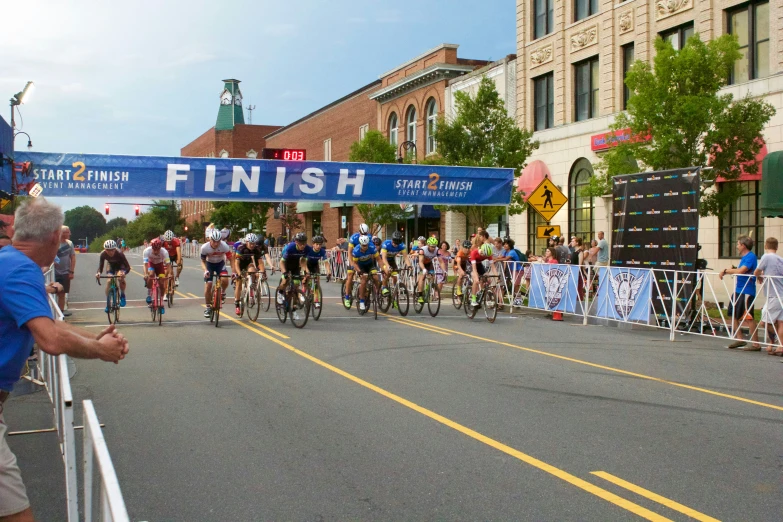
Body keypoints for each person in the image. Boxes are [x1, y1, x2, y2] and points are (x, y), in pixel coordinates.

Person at [0, 198, 128, 522]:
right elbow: (50, 339)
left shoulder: (9, 261)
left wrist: (95, 337)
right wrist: (102, 351)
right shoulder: (21, 270)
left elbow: (48, 322)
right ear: (56, 238)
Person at [720, 235, 760, 350]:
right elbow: (740, 269)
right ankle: (739, 339)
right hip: (738, 290)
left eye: (738, 244)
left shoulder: (750, 257)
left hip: (746, 291)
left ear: (743, 246)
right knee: (732, 314)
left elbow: (742, 270)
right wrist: (733, 268)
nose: (736, 246)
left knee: (749, 317)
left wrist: (726, 271)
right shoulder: (745, 257)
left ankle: (756, 344)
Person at [754, 237, 783, 355]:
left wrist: (759, 276)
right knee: (781, 322)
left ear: (766, 245)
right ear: (777, 247)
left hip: (773, 295)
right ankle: (780, 346)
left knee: (765, 322)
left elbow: (757, 271)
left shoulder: (766, 257)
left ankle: (777, 342)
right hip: (781, 293)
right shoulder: (781, 259)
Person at [232, 233, 271, 316]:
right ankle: (237, 304)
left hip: (249, 264)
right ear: (246, 242)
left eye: (254, 243)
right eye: (251, 243)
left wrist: (262, 272)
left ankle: (251, 286)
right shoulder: (241, 248)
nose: (252, 245)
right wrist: (239, 273)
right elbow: (236, 263)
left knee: (252, 270)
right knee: (238, 283)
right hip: (240, 265)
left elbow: (260, 262)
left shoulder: (257, 249)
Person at [201, 229, 232, 318]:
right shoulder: (204, 247)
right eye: (214, 241)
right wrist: (205, 270)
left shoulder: (224, 246)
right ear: (210, 240)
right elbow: (202, 261)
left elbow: (231, 259)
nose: (216, 244)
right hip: (209, 264)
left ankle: (222, 292)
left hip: (220, 264)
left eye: (218, 242)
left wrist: (234, 272)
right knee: (208, 286)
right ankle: (208, 308)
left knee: (225, 279)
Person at [343, 224, 373, 308]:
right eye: (362, 233)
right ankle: (347, 297)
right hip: (353, 257)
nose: (364, 235)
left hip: (362, 259)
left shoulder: (369, 237)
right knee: (350, 275)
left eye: (365, 234)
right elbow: (349, 252)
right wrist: (352, 263)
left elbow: (370, 249)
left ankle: (363, 293)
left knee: (365, 277)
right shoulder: (353, 238)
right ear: (359, 231)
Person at [277, 233, 312, 305]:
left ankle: (292, 304)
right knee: (284, 281)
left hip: (295, 264)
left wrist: (307, 272)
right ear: (296, 242)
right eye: (301, 243)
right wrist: (284, 272)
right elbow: (282, 262)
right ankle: (279, 293)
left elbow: (303, 261)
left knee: (296, 284)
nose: (303, 245)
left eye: (304, 243)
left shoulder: (307, 248)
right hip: (286, 263)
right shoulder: (290, 247)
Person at [96, 240, 130, 311]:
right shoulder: (103, 254)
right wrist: (98, 273)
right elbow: (101, 266)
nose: (110, 252)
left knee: (120, 278)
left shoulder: (120, 253)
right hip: (111, 265)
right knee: (109, 281)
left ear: (115, 249)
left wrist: (124, 273)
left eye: (112, 250)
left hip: (120, 266)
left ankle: (122, 295)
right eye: (108, 250)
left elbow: (128, 267)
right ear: (105, 250)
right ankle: (108, 303)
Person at [351, 235, 380, 311]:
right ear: (360, 244)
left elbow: (379, 259)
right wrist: (359, 271)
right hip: (360, 266)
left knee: (376, 277)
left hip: (370, 265)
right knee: (363, 281)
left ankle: (378, 293)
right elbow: (354, 263)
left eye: (366, 245)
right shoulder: (356, 250)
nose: (365, 247)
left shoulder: (372, 247)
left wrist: (383, 268)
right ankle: (362, 301)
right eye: (363, 245)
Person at [142, 238, 170, 314]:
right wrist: (145, 274)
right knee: (150, 275)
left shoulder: (164, 252)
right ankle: (149, 294)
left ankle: (161, 301)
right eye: (154, 249)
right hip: (151, 264)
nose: (156, 251)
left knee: (161, 282)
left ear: (160, 248)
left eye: (158, 249)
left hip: (160, 265)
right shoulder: (147, 251)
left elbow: (168, 265)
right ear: (152, 247)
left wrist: (169, 274)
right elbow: (145, 264)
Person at [54, 226, 75, 317]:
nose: (69, 234)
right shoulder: (55, 244)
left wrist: (71, 271)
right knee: (54, 293)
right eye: (67, 232)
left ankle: (61, 313)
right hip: (54, 273)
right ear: (62, 233)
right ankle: (54, 313)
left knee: (62, 293)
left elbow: (73, 257)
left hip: (65, 272)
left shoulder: (70, 244)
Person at [380, 231, 408, 297]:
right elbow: (384, 258)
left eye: (397, 243)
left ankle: (395, 292)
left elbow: (406, 257)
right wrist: (388, 266)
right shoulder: (386, 244)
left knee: (395, 276)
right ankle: (384, 287)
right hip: (383, 260)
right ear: (392, 240)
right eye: (394, 242)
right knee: (388, 272)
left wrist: (409, 266)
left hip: (392, 260)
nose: (395, 244)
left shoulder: (402, 246)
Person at [304, 236, 329, 309]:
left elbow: (326, 263)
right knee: (306, 279)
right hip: (306, 265)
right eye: (317, 244)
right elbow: (304, 263)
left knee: (316, 283)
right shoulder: (308, 250)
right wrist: (307, 271)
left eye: (320, 244)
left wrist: (328, 272)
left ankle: (316, 301)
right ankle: (302, 293)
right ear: (313, 244)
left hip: (315, 265)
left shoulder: (322, 251)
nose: (318, 246)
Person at [468, 237, 493, 308]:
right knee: (476, 281)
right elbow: (474, 269)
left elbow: (493, 267)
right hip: (471, 264)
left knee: (488, 279)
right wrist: (476, 277)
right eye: (484, 255)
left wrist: (497, 277)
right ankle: (473, 299)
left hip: (479, 264)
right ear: (481, 251)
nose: (485, 257)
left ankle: (480, 292)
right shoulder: (474, 253)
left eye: (487, 256)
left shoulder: (488, 254)